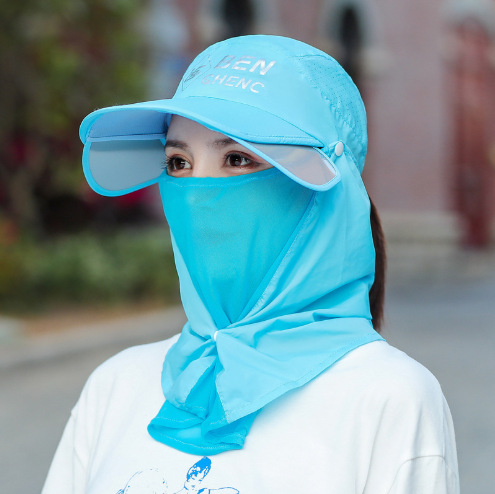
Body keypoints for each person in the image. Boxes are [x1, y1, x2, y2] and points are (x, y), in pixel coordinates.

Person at [42, 35, 459, 493]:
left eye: (237, 158)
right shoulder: (115, 386)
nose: (197, 192)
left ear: (322, 195)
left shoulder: (389, 399)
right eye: (179, 162)